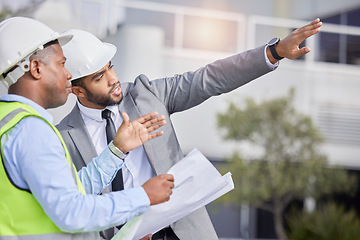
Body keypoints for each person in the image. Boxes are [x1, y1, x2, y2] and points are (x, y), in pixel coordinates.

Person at [56, 18, 322, 240]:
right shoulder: (64, 136)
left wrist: (273, 52)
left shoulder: (146, 94)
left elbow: (208, 79)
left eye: (110, 67)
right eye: (99, 77)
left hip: (185, 232)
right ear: (77, 90)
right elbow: (75, 205)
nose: (114, 79)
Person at [0, 17, 175, 240]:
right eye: (62, 64)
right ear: (35, 68)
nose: (69, 75)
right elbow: (72, 211)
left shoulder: (9, 120)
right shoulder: (32, 130)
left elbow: (71, 191)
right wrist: (143, 196)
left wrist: (116, 150)